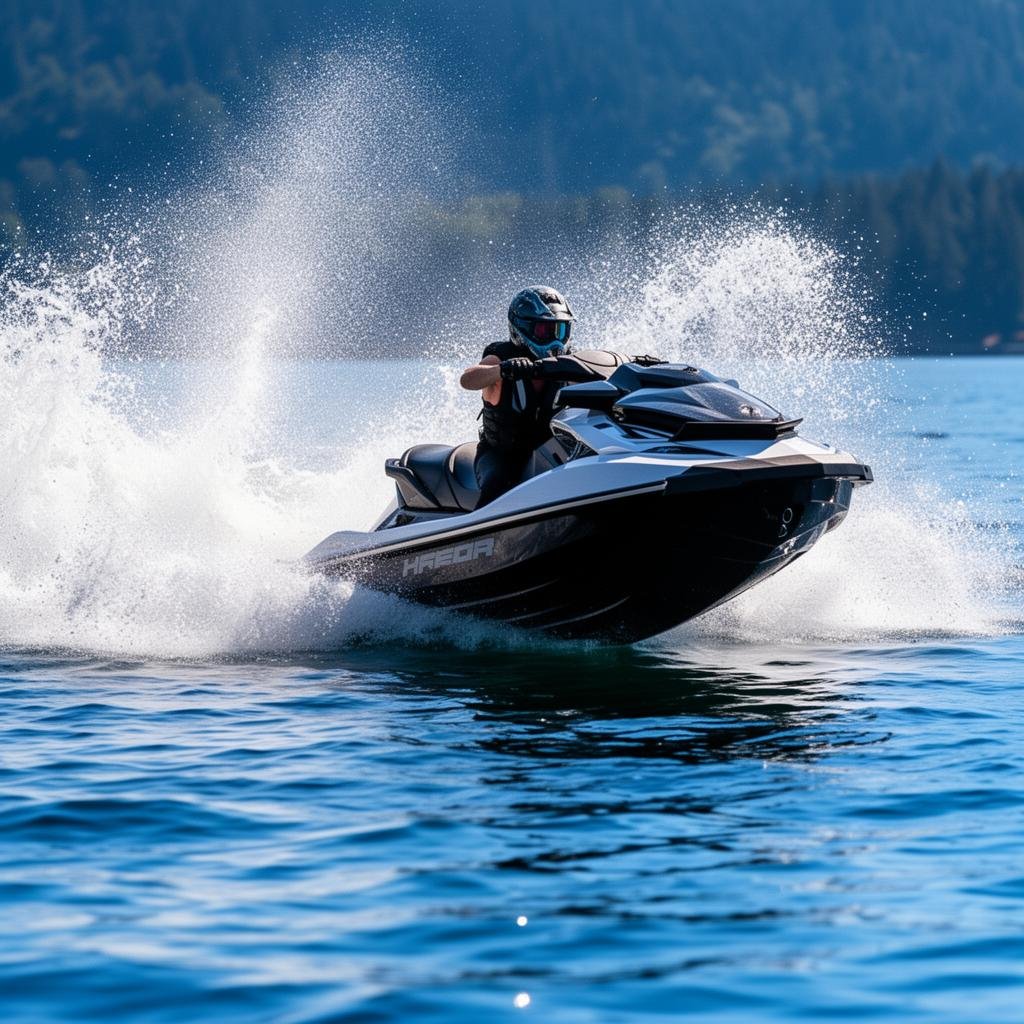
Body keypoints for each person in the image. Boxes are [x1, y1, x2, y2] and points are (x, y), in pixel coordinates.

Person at [459, 286, 584, 507]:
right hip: (501, 455)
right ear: (522, 329)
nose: (555, 341)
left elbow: (604, 373)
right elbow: (468, 379)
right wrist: (503, 370)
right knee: (498, 484)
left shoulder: (571, 361)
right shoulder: (501, 356)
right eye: (545, 332)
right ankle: (483, 533)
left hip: (550, 451)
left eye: (561, 331)